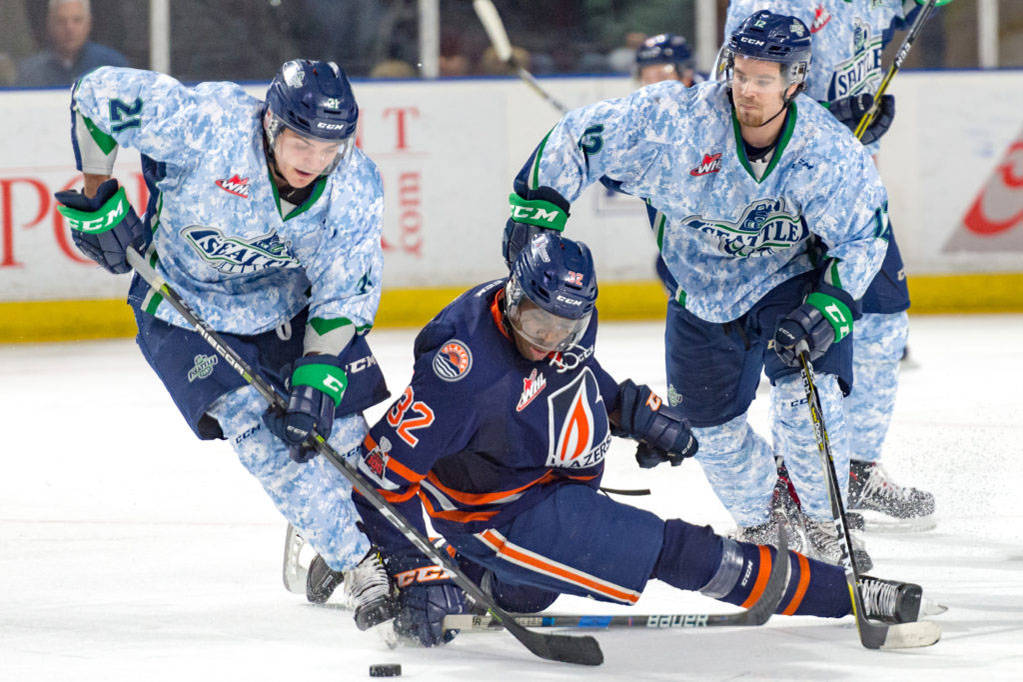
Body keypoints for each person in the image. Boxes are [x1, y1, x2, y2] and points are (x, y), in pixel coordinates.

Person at [349, 231, 928, 647]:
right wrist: (407, 566)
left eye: (564, 328)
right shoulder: (461, 370)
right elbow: (379, 477)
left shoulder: (563, 318)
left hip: (543, 470)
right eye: (536, 324)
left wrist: (628, 409)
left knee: (528, 594)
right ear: (511, 295)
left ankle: (462, 575)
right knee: (676, 550)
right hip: (497, 512)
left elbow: (571, 375)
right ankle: (849, 595)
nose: (549, 339)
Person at [501, 11, 891, 569]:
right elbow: (580, 135)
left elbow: (864, 233)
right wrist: (539, 205)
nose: (747, 89)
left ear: (795, 80)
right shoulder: (674, 121)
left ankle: (828, 528)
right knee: (712, 432)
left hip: (789, 281)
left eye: (764, 79)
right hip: (698, 293)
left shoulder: (825, 150)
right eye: (740, 72)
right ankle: (765, 518)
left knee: (809, 400)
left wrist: (830, 305)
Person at [53, 59, 391, 598]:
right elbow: (96, 94)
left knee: (346, 436)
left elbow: (345, 286)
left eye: (331, 148)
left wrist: (320, 373)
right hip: (183, 306)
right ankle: (358, 565)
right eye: (303, 143)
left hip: (285, 306)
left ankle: (363, 539)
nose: (316, 161)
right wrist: (97, 192)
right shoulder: (207, 125)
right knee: (264, 437)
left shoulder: (354, 184)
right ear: (272, 125)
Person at [724, 0, 936, 531]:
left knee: (886, 323)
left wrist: (859, 121)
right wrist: (825, 119)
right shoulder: (764, 6)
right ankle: (798, 477)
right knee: (804, 352)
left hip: (854, 195)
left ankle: (858, 468)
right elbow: (733, 98)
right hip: (788, 197)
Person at [16, 0, 127, 87]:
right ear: (49, 25)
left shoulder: (112, 65)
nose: (69, 28)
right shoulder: (31, 71)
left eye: (77, 20)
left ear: (89, 24)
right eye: (61, 21)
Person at [634, 33, 705, 87]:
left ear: (687, 75)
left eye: (663, 77)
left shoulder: (710, 102)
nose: (654, 86)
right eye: (647, 80)